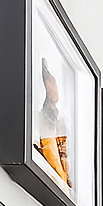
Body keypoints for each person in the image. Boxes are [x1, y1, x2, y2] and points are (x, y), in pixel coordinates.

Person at [36, 58, 72, 187]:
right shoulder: (38, 119)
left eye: (54, 83)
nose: (54, 87)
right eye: (51, 82)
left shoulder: (61, 121)